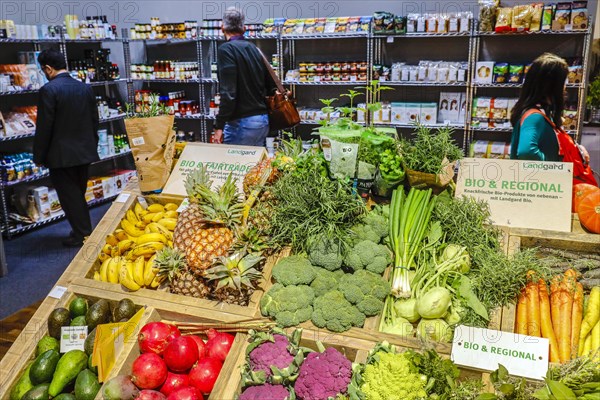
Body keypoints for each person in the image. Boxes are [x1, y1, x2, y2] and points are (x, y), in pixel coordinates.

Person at [34, 49, 99, 247]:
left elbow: (45, 127)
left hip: (61, 155)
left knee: (70, 198)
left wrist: (39, 156)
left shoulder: (49, 90)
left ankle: (83, 235)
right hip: (84, 152)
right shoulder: (84, 88)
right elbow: (94, 121)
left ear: (48, 68)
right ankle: (83, 231)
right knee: (78, 194)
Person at [213, 7, 277, 146]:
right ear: (244, 28)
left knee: (235, 166)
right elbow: (270, 85)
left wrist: (219, 125)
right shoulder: (254, 49)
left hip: (242, 123)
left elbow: (229, 93)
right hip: (262, 121)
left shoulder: (226, 50)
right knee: (255, 166)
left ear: (222, 27)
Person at [510, 53, 568, 161]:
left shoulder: (539, 113)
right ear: (553, 84)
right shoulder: (535, 116)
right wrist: (553, 168)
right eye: (563, 81)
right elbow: (526, 151)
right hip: (540, 177)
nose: (565, 86)